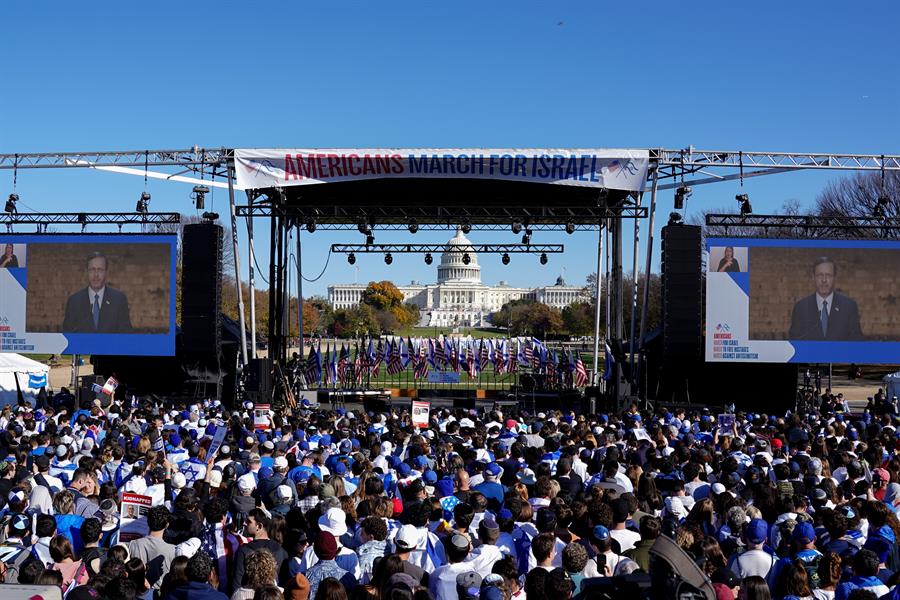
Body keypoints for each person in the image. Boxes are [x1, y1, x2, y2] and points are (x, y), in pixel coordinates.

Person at [789, 256, 863, 341]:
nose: (824, 280)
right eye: (820, 275)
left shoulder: (849, 307)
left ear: (834, 278)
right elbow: (794, 343)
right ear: (813, 277)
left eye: (828, 275)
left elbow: (857, 342)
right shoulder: (801, 308)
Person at [62, 251, 133, 333]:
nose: (96, 274)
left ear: (106, 273)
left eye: (100, 270)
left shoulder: (119, 300)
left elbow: (126, 335)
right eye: (92, 269)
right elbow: (67, 336)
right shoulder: (74, 301)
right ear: (87, 272)